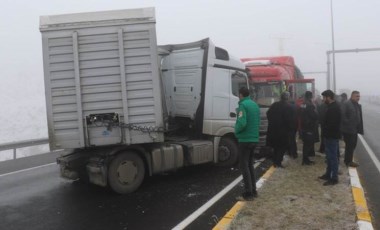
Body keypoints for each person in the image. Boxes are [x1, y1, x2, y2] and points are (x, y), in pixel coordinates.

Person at [235, 87, 260, 201]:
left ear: (241, 95)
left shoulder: (243, 105)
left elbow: (242, 123)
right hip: (254, 138)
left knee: (244, 166)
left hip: (245, 140)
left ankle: (248, 193)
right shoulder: (255, 105)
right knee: (250, 165)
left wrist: (236, 131)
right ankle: (254, 190)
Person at [319, 90, 341, 186]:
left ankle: (334, 177)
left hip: (331, 136)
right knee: (329, 157)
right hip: (329, 136)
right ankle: (328, 174)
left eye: (324, 97)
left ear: (328, 97)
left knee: (333, 157)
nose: (323, 99)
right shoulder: (331, 107)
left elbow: (332, 124)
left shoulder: (334, 108)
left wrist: (325, 128)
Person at [266, 91, 294, 168]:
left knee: (275, 147)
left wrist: (272, 122)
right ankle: (278, 162)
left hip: (273, 130)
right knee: (282, 147)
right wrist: (290, 129)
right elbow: (290, 121)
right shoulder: (289, 107)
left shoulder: (274, 105)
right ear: (287, 98)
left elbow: (268, 114)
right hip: (283, 132)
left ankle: (275, 161)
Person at [340, 91, 364, 167]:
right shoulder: (347, 104)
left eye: (359, 96)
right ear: (352, 96)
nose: (358, 98)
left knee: (353, 145)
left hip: (354, 129)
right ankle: (348, 161)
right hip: (348, 130)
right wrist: (348, 122)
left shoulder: (356, 105)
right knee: (350, 145)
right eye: (357, 96)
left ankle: (348, 160)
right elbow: (342, 115)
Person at [299, 91, 319, 165]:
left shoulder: (303, 104)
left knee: (306, 144)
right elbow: (314, 116)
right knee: (308, 144)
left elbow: (299, 113)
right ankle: (305, 160)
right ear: (310, 96)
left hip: (304, 126)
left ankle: (305, 159)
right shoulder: (310, 105)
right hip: (309, 127)